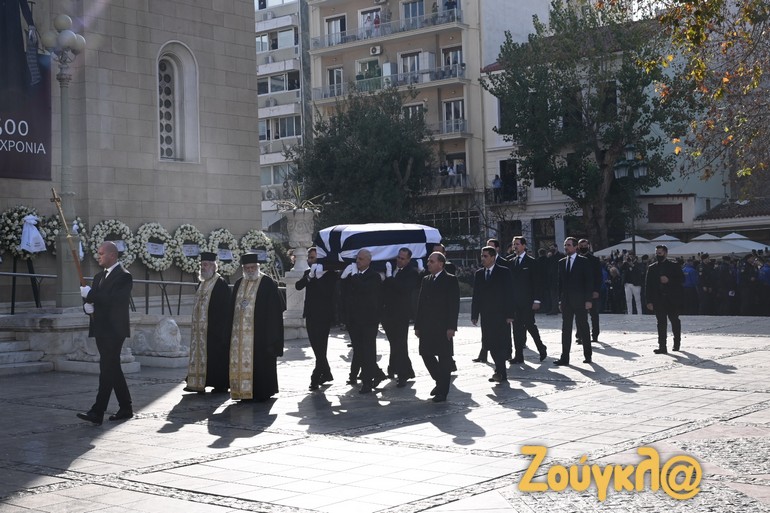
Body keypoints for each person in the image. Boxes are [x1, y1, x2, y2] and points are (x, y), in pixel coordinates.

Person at [76, 242, 134, 425]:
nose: (98, 256)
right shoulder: (99, 276)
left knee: (107, 368)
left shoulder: (124, 276)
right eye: (98, 253)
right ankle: (126, 407)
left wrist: (90, 295)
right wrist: (87, 307)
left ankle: (97, 411)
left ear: (112, 255)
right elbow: (96, 301)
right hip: (101, 328)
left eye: (101, 253)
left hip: (115, 330)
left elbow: (113, 301)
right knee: (112, 367)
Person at [227, 251, 284, 402]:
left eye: (253, 267)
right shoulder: (239, 283)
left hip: (261, 334)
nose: (250, 270)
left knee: (261, 364)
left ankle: (262, 392)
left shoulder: (267, 283)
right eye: (247, 268)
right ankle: (242, 391)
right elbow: (231, 308)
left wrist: (271, 336)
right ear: (243, 268)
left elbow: (274, 311)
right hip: (240, 337)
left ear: (258, 267)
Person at [415, 251, 460, 402]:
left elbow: (454, 305)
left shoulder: (450, 280)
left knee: (444, 358)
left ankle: (443, 391)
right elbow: (421, 303)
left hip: (443, 326)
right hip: (427, 325)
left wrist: (451, 327)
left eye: (431, 261)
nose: (428, 263)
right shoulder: (426, 279)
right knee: (425, 353)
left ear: (441, 264)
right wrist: (418, 325)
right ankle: (440, 381)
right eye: (428, 261)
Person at [185, 252, 231, 394]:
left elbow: (225, 309)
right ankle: (197, 382)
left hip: (215, 329)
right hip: (200, 330)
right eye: (202, 265)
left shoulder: (220, 283)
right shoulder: (202, 282)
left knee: (216, 357)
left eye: (205, 265)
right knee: (199, 355)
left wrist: (219, 328)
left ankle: (220, 384)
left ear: (213, 266)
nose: (203, 268)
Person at [341, 249, 385, 394]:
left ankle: (367, 382)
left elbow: (365, 290)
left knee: (368, 351)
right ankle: (377, 374)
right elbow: (343, 294)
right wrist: (343, 278)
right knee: (359, 351)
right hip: (353, 320)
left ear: (368, 261)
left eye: (361, 259)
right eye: (357, 259)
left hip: (368, 320)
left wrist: (354, 276)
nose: (357, 261)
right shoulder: (352, 276)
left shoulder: (374, 276)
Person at [295, 247, 337, 391]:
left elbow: (327, 293)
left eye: (312, 257)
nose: (310, 260)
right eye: (309, 257)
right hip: (310, 314)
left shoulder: (331, 275)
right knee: (316, 347)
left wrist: (318, 278)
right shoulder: (309, 273)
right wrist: (310, 277)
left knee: (321, 347)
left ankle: (315, 377)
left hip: (324, 316)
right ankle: (327, 373)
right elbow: (298, 286)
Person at [471, 247, 514, 383]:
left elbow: (509, 294)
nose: (482, 259)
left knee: (499, 344)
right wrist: (474, 314)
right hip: (486, 315)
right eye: (482, 256)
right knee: (489, 343)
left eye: (485, 256)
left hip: (501, 315)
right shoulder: (479, 274)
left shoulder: (504, 272)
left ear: (493, 257)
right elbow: (476, 295)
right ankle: (500, 372)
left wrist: (510, 314)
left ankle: (500, 372)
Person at [382, 248, 420, 387]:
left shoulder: (412, 273)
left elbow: (403, 289)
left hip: (401, 314)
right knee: (394, 343)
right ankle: (398, 368)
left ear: (409, 260)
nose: (399, 260)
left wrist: (389, 278)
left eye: (403, 258)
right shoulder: (393, 269)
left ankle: (403, 373)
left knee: (400, 344)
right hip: (387, 313)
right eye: (398, 257)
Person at [554, 237, 593, 366]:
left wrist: (588, 300)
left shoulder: (583, 261)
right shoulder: (561, 262)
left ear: (576, 247)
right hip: (566, 301)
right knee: (566, 329)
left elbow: (588, 281)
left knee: (583, 327)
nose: (566, 247)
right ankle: (564, 357)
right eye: (565, 245)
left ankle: (588, 355)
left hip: (580, 300)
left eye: (569, 245)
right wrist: (560, 301)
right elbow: (560, 283)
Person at [509, 236, 548, 363]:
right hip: (515, 302)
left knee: (530, 325)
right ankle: (518, 355)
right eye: (514, 244)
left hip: (528, 301)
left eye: (518, 244)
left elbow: (537, 283)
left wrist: (537, 300)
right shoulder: (512, 262)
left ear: (524, 245)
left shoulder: (532, 262)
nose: (515, 246)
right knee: (516, 328)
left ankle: (541, 347)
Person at [645, 245, 684, 354]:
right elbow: (648, 285)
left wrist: (669, 280)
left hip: (672, 299)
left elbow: (681, 279)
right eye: (657, 253)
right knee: (661, 323)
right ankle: (662, 346)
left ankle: (677, 343)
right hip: (658, 300)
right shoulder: (652, 268)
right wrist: (648, 301)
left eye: (660, 253)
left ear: (665, 253)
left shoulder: (674, 266)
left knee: (674, 321)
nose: (658, 255)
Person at [577, 239, 602, 343]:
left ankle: (595, 334)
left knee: (594, 314)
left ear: (588, 246)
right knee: (579, 314)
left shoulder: (594, 260)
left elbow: (598, 276)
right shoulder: (576, 259)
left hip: (591, 290)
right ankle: (580, 335)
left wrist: (596, 290)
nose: (583, 247)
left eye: (585, 245)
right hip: (579, 291)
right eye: (581, 246)